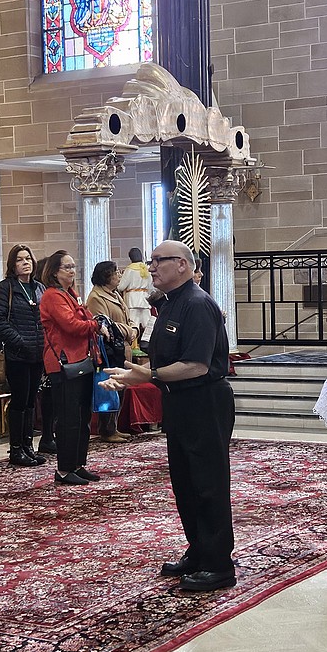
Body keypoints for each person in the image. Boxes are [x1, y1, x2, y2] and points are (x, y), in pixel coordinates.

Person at [101, 240, 236, 592]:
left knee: (208, 483)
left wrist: (149, 377)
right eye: (152, 260)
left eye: (160, 260)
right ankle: (199, 550)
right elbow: (162, 360)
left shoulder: (197, 304)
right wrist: (136, 374)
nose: (152, 266)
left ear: (183, 265)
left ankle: (219, 564)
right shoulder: (173, 303)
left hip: (204, 399)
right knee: (185, 483)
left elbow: (196, 364)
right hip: (179, 402)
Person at [40, 250, 108, 486]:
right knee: (69, 418)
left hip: (82, 360)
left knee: (82, 417)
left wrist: (93, 323)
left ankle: (78, 464)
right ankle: (64, 469)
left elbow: (85, 316)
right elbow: (71, 326)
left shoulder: (71, 294)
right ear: (54, 272)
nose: (72, 271)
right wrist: (94, 325)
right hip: (64, 362)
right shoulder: (52, 296)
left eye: (73, 266)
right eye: (66, 267)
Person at [0, 244, 47, 467]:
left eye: (28, 259)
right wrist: (18, 341)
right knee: (20, 400)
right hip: (18, 354)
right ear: (13, 265)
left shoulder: (39, 288)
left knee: (32, 400)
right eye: (20, 260)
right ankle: (15, 449)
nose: (26, 263)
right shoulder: (6, 288)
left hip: (38, 353)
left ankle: (28, 446)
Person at [85, 260, 136, 443]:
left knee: (120, 388)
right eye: (116, 273)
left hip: (122, 348)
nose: (119, 276)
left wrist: (131, 329)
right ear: (107, 276)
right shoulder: (96, 297)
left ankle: (113, 426)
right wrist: (130, 330)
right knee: (110, 388)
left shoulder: (115, 294)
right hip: (109, 351)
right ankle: (106, 430)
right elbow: (105, 325)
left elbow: (125, 319)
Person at [33, 254, 56, 456]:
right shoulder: (42, 292)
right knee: (46, 397)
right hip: (41, 348)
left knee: (52, 397)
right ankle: (46, 436)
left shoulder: (45, 291)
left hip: (50, 348)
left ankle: (50, 435)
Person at [118, 247, 155, 346]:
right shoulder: (146, 269)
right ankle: (150, 344)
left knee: (133, 324)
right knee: (147, 324)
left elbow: (121, 286)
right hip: (145, 299)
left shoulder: (130, 269)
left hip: (132, 300)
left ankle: (134, 345)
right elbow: (152, 287)